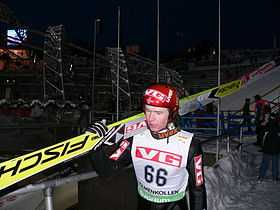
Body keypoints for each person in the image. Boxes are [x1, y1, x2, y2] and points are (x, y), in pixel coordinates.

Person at [87, 84, 207, 210]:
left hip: (174, 206)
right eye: (148, 110)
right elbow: (107, 171)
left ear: (172, 113)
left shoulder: (190, 145)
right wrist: (96, 148)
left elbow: (197, 189)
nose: (150, 118)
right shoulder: (135, 137)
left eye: (158, 112)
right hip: (143, 204)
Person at [258, 112, 280, 182]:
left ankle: (261, 176)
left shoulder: (266, 126)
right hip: (276, 149)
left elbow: (261, 136)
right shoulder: (278, 127)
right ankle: (275, 177)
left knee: (265, 163)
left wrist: (262, 146)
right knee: (275, 163)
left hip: (267, 148)